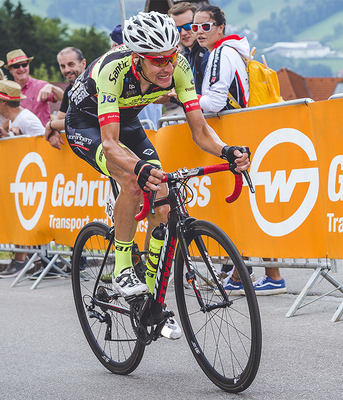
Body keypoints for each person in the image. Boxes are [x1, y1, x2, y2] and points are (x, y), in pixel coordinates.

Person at [65, 11, 250, 318]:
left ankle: (149, 292)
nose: (167, 67)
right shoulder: (114, 70)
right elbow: (110, 144)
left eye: (171, 57)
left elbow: (201, 131)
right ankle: (124, 267)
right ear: (137, 59)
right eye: (158, 61)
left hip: (128, 124)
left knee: (162, 202)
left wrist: (227, 151)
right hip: (87, 126)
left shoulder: (180, 67)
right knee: (133, 182)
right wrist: (138, 169)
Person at [194, 5, 286, 295]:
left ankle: (265, 275)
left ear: (220, 27)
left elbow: (215, 102)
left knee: (244, 207)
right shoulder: (230, 51)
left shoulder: (222, 53)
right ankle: (249, 275)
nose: (198, 32)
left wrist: (182, 98)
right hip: (242, 132)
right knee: (246, 206)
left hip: (236, 135)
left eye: (205, 26)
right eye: (193, 28)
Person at [0, 79, 45, 278]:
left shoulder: (25, 119)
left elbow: (42, 145)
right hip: (25, 180)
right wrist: (6, 135)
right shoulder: (14, 120)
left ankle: (35, 260)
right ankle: (32, 260)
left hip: (35, 180)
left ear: (1, 102)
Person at [110, 24, 163, 129]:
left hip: (137, 133)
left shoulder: (119, 75)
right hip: (155, 131)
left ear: (115, 46)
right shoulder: (153, 69)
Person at [5, 49, 64, 125]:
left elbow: (63, 98)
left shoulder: (41, 85)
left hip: (42, 135)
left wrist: (52, 87)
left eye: (24, 65)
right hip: (19, 136)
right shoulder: (8, 91)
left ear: (28, 66)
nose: (21, 69)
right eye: (16, 66)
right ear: (10, 70)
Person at [45, 47, 86, 150]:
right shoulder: (69, 90)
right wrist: (54, 131)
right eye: (63, 66)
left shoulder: (91, 84)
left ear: (83, 63)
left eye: (71, 64)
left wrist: (51, 125)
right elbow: (60, 118)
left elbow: (81, 121)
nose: (67, 70)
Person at [168, 1, 208, 95]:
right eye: (177, 29)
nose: (183, 33)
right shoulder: (185, 55)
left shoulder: (206, 54)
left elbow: (205, 98)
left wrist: (172, 98)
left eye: (187, 26)